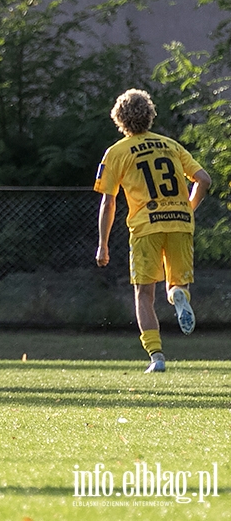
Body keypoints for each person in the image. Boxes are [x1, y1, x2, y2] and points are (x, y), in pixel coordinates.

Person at [94, 89, 211, 373]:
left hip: (146, 226)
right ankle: (178, 296)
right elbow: (204, 180)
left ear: (119, 119)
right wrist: (188, 209)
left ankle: (156, 356)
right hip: (180, 222)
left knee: (144, 295)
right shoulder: (170, 145)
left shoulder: (117, 152)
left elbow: (109, 202)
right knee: (177, 285)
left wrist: (103, 244)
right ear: (150, 115)